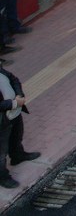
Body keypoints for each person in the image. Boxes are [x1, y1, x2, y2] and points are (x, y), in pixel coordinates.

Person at [0, 61, 39, 189]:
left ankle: (17, 155)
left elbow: (13, 78)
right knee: (1, 151)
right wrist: (14, 103)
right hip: (3, 118)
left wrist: (19, 94)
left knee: (17, 135)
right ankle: (3, 177)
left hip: (14, 113)